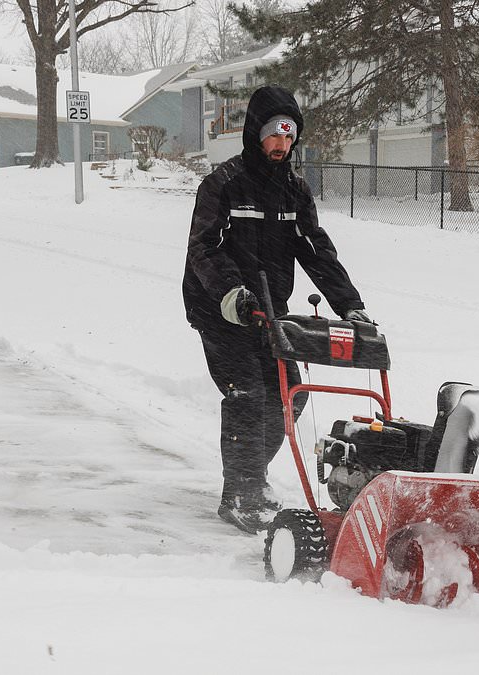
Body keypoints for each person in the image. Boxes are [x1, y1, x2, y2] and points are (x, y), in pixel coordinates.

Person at [182, 86, 372, 534]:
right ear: (255, 133)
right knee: (247, 391)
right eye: (274, 135)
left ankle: (252, 476)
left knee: (291, 396)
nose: (281, 145)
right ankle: (241, 494)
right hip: (219, 308)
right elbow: (204, 247)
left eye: (289, 137)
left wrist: (351, 306)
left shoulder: (294, 191)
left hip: (268, 311)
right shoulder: (223, 183)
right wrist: (233, 294)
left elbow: (316, 251)